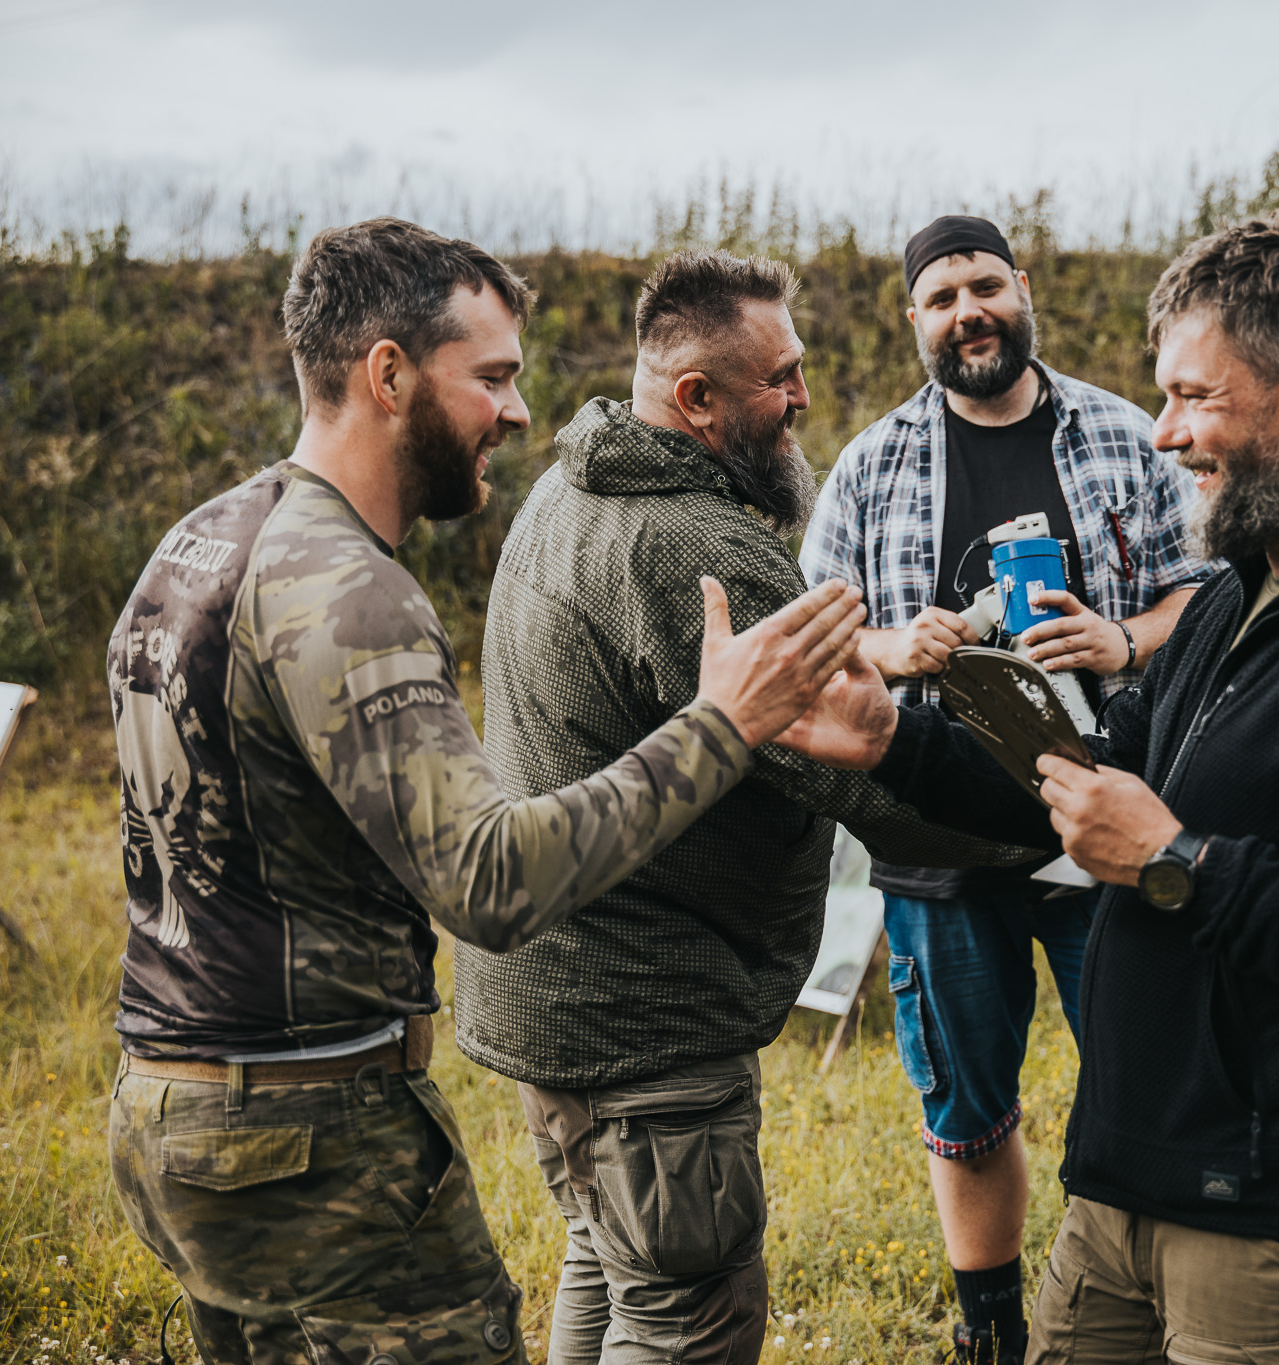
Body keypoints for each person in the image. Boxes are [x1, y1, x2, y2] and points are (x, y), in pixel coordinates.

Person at [782, 212, 1279, 1365]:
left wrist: (1176, 862)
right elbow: (1084, 780)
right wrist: (890, 738)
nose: (1166, 433)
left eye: (1193, 398)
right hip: (1122, 1192)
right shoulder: (1235, 596)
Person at [104, 219, 864, 1364]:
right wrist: (722, 725)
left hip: (169, 1109)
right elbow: (489, 881)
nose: (518, 413)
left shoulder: (201, 543)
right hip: (314, 1137)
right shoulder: (353, 594)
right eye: (494, 378)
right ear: (389, 373)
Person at [456, 248, 1024, 1365]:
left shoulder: (565, 490)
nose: (805, 397)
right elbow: (863, 777)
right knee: (687, 1318)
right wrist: (1050, 816)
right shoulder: (693, 549)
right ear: (695, 399)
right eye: (780, 379)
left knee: (606, 1261)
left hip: (551, 995)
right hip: (646, 1020)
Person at [798, 215, 1212, 1363]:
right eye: (939, 298)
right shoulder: (870, 463)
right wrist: (890, 647)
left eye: (983, 285)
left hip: (1104, 818)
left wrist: (1121, 638)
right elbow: (813, 634)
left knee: (1143, 1084)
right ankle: (991, 1338)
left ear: (1020, 289)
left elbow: (1209, 597)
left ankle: (1166, 1317)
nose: (966, 310)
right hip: (938, 833)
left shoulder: (1125, 434)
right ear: (913, 322)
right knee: (967, 1118)